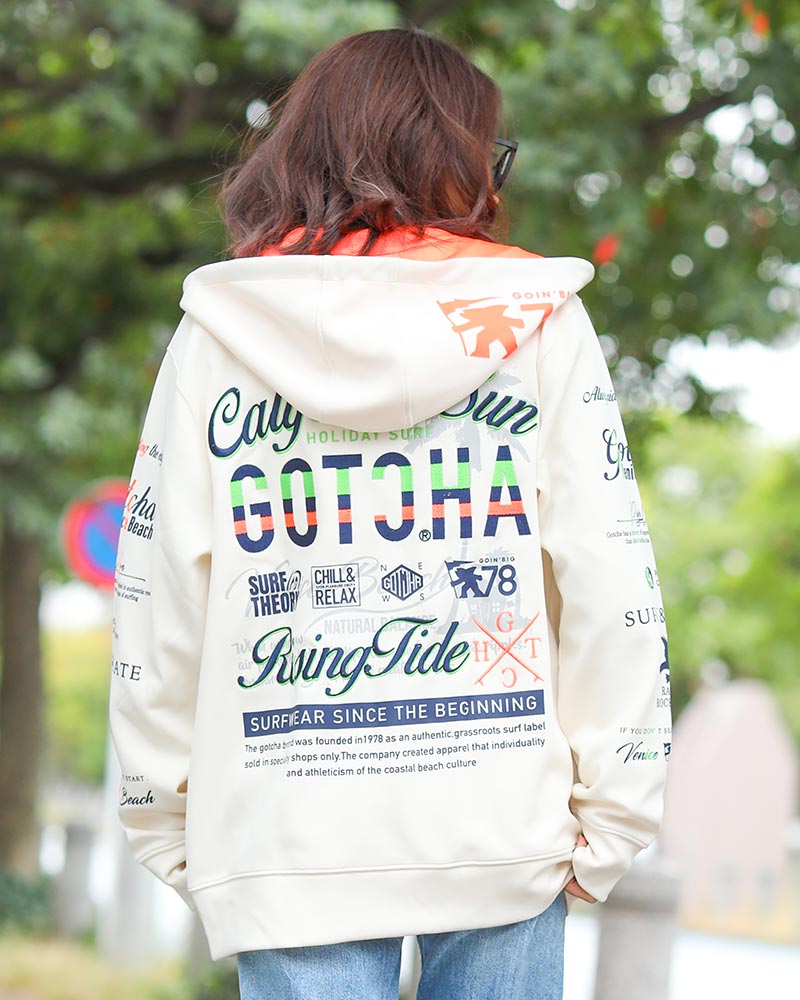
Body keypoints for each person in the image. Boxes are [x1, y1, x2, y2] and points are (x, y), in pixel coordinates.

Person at [109, 26, 671, 1000]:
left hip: (284, 832)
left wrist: (161, 816)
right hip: (501, 823)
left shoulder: (221, 333)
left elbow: (159, 597)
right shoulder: (535, 322)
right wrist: (617, 811)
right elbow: (607, 573)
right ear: (455, 157)